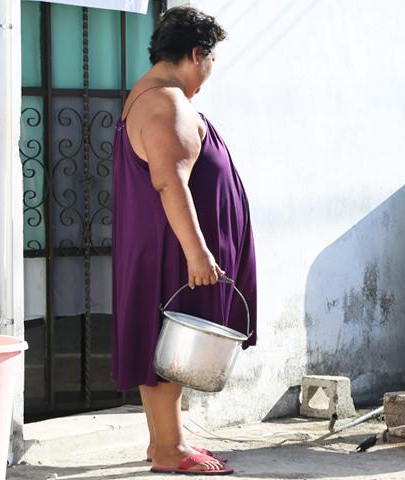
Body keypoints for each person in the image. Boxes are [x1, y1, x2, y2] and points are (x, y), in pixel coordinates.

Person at [111, 6, 256, 475]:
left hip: (165, 241)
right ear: (197, 54)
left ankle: (165, 443)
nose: (210, 73)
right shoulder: (165, 103)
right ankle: (170, 450)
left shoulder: (154, 96)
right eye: (211, 61)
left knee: (166, 343)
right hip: (172, 246)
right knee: (171, 344)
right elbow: (170, 182)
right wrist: (197, 251)